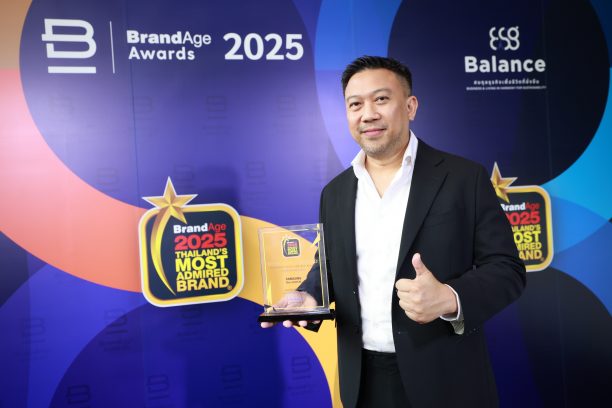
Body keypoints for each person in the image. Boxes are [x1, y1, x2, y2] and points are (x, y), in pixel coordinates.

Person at [262, 55, 526, 407]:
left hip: (445, 376)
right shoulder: (335, 192)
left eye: (381, 99)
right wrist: (309, 297)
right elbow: (329, 266)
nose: (368, 114)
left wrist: (450, 298)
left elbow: (507, 269)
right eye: (355, 104)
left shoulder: (464, 178)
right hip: (362, 380)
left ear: (410, 106)